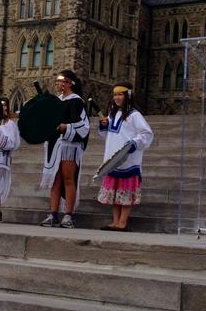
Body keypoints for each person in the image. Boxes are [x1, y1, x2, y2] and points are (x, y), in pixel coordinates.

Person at [97, 82, 154, 231]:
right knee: (115, 193)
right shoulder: (112, 114)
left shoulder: (135, 115)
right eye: (115, 94)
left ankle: (122, 222)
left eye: (120, 94)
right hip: (112, 158)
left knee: (125, 192)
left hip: (128, 160)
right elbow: (106, 135)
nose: (116, 97)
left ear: (128, 95)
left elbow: (146, 133)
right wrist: (104, 125)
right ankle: (115, 221)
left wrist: (134, 143)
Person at [40, 70, 90, 229]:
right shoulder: (56, 101)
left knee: (68, 178)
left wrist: (65, 127)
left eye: (61, 81)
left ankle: (69, 215)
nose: (58, 84)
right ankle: (53, 214)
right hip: (55, 144)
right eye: (57, 81)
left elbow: (83, 128)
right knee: (55, 180)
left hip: (69, 145)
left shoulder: (76, 101)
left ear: (69, 83)